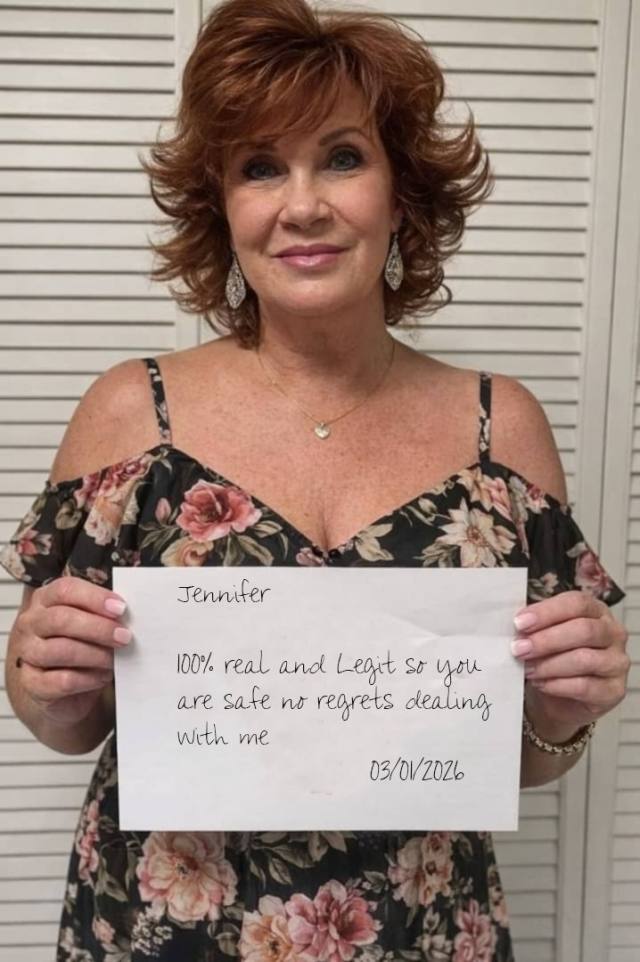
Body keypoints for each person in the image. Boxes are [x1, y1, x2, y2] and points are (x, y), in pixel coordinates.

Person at [0, 0, 630, 958]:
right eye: (260, 167)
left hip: (422, 927)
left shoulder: (500, 430)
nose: (302, 206)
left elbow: (526, 758)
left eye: (342, 157)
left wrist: (563, 710)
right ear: (222, 206)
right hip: (166, 929)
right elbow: (67, 723)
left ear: (400, 192)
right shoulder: (131, 415)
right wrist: (44, 679)